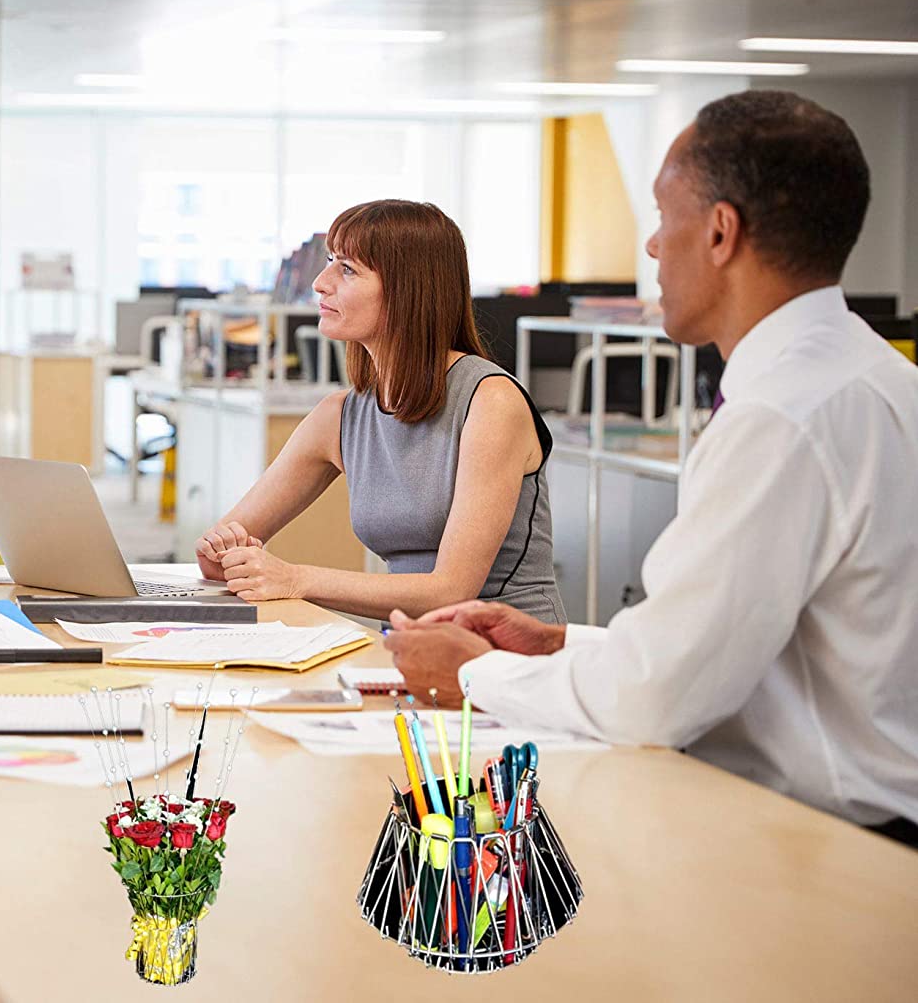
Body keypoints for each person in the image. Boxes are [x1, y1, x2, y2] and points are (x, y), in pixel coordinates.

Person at [384, 90, 918, 845]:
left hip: (830, 840)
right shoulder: (872, 375)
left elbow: (657, 695)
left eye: (666, 218)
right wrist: (564, 643)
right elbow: (755, 641)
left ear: (722, 231)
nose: (653, 248)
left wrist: (470, 673)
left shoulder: (781, 417)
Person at [195, 200, 565, 623]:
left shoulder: (491, 402)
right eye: (330, 262)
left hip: (508, 653)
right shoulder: (340, 416)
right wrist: (221, 552)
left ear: (410, 289)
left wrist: (296, 578)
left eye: (347, 269)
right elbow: (222, 552)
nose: (319, 282)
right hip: (414, 644)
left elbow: (450, 591)